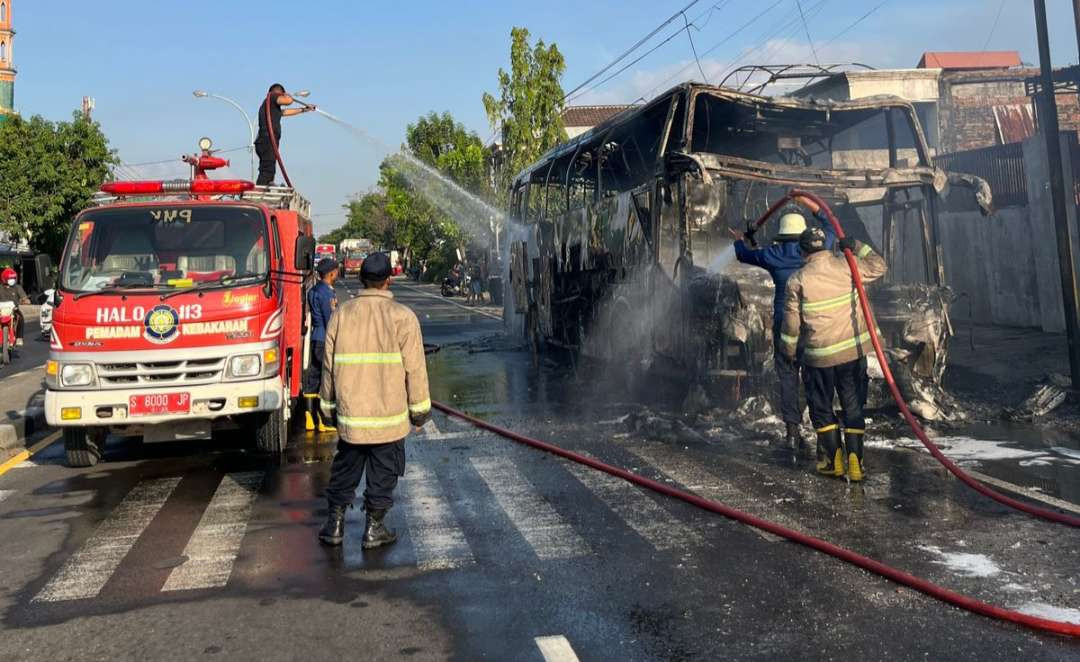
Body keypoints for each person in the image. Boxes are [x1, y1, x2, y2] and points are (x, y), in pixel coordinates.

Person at [317, 252, 431, 548]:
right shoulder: (403, 317)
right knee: (383, 474)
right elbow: (416, 369)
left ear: (360, 278)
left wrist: (327, 409)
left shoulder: (342, 314)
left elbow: (329, 366)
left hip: (351, 416)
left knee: (345, 470)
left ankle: (335, 526)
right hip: (389, 419)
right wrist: (419, 413)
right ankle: (374, 529)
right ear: (388, 281)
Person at [779, 227, 886, 482]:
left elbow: (791, 325)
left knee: (822, 407)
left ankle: (832, 460)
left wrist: (789, 352)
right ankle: (856, 462)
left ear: (802, 251)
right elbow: (879, 266)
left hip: (819, 357)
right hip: (851, 353)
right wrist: (858, 244)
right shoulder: (847, 266)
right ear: (826, 246)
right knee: (853, 406)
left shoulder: (797, 280)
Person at [728, 196, 835, 449]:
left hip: (784, 326)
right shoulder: (817, 251)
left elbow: (744, 254)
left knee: (788, 377)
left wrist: (738, 239)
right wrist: (812, 205)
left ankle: (792, 432)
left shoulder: (773, 254)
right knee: (814, 378)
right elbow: (830, 226)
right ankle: (823, 433)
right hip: (811, 326)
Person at [254, 83, 316, 186]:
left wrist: (304, 109)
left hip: (264, 141)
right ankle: (259, 191)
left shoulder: (270, 106)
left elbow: (285, 112)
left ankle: (265, 187)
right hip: (268, 139)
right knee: (268, 169)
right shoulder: (273, 96)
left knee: (268, 167)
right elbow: (288, 101)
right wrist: (288, 96)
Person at [303, 259, 338, 433]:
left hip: (315, 337)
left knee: (313, 376)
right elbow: (329, 319)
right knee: (325, 379)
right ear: (331, 273)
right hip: (325, 339)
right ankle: (322, 420)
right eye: (336, 271)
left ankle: (309, 417)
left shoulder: (314, 290)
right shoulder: (327, 293)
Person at [0, 267, 29, 346]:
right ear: (4, 279)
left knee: (21, 317)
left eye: (13, 278)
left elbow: (24, 298)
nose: (12, 280)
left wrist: (25, 301)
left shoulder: (17, 287)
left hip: (13, 310)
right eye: (10, 278)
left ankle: (19, 337)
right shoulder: (0, 288)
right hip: (1, 311)